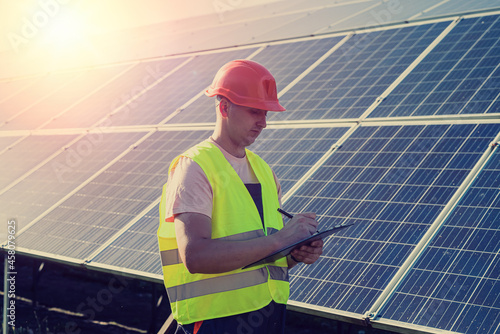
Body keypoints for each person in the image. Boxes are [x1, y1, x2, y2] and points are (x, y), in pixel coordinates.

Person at [158, 59, 323, 334]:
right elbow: (195, 255)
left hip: (267, 315)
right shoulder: (196, 166)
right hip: (215, 321)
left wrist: (295, 252)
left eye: (266, 113)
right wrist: (281, 239)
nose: (264, 123)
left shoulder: (263, 171)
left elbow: (267, 256)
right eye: (254, 112)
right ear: (224, 107)